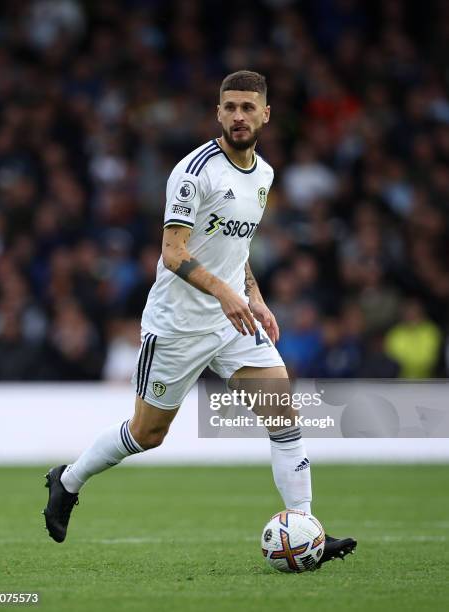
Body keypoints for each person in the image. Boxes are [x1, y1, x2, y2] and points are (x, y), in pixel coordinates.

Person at [43, 70, 356, 566]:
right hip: (177, 325)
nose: (238, 116)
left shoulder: (265, 175)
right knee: (147, 434)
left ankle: (305, 529)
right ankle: (68, 479)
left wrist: (254, 296)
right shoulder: (194, 172)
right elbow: (173, 253)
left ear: (265, 114)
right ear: (217, 112)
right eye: (229, 107)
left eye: (248, 108)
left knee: (283, 413)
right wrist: (229, 295)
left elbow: (237, 247)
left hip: (231, 322)